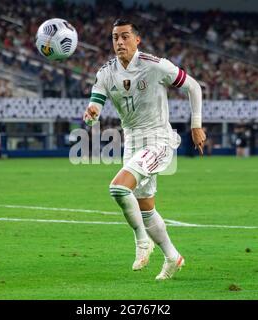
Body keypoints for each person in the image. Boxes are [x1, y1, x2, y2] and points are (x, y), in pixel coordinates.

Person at [83, 19, 205, 280]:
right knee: (146, 208)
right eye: (115, 37)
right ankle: (173, 257)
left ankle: (141, 240)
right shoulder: (106, 73)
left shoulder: (154, 65)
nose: (119, 42)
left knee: (118, 187)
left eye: (125, 36)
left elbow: (193, 86)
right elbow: (95, 105)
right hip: (132, 143)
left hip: (158, 140)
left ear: (137, 40)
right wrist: (92, 114)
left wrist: (196, 125)